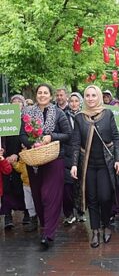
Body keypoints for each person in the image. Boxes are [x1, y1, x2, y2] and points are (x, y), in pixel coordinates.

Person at [70, 85, 119, 248]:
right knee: (92, 198)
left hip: (105, 164)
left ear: (98, 96)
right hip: (87, 166)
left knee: (105, 197)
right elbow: (76, 142)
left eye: (94, 95)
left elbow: (116, 137)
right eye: (87, 95)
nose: (91, 98)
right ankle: (95, 231)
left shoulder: (108, 114)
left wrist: (118, 159)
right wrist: (74, 164)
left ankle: (106, 225)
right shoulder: (79, 117)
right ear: (84, 98)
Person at [20, 83, 71, 249]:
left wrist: (51, 137)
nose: (42, 95)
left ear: (51, 96)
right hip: (34, 160)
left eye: (45, 93)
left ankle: (48, 234)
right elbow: (22, 135)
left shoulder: (59, 113)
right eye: (39, 93)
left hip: (54, 160)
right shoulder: (27, 113)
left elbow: (68, 134)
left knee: (49, 196)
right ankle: (44, 226)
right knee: (37, 196)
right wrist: (33, 143)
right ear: (36, 95)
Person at [1, 94, 29, 229]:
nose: (17, 104)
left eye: (19, 102)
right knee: (6, 188)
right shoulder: (3, 120)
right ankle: (7, 216)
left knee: (21, 187)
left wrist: (17, 155)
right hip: (4, 158)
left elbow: (27, 140)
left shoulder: (25, 121)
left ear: (23, 105)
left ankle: (27, 213)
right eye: (14, 102)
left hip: (20, 158)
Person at [63, 92, 85, 226]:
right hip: (67, 155)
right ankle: (69, 213)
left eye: (77, 101)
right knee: (68, 187)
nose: (74, 103)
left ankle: (81, 211)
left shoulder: (85, 116)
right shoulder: (63, 116)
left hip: (82, 155)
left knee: (81, 186)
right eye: (71, 101)